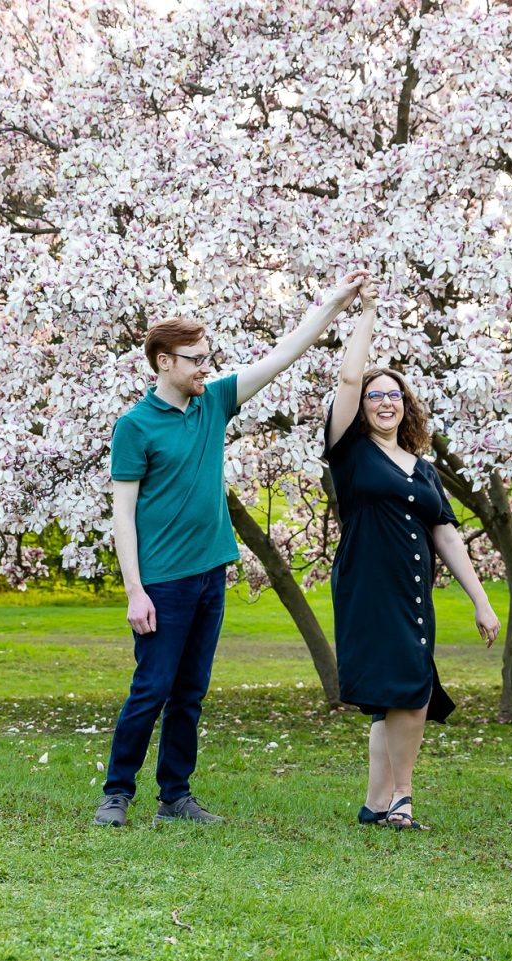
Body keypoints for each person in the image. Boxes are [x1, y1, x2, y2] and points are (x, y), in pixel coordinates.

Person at [95, 270, 371, 826]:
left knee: (190, 693)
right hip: (162, 583)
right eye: (195, 358)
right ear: (164, 362)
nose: (206, 367)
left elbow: (284, 353)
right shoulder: (134, 427)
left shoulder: (214, 402)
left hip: (210, 574)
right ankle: (117, 794)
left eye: (208, 357)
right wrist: (135, 591)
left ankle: (175, 797)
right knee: (151, 689)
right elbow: (122, 515)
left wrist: (337, 303)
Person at [323, 280, 501, 830]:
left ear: (407, 408)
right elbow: (348, 377)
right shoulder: (349, 453)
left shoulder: (423, 468)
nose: (385, 402)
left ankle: (376, 805)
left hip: (412, 588)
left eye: (394, 396)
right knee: (412, 688)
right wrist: (367, 313)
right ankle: (403, 798)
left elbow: (446, 534)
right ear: (361, 408)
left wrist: (481, 600)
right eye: (375, 396)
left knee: (395, 693)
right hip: (368, 585)